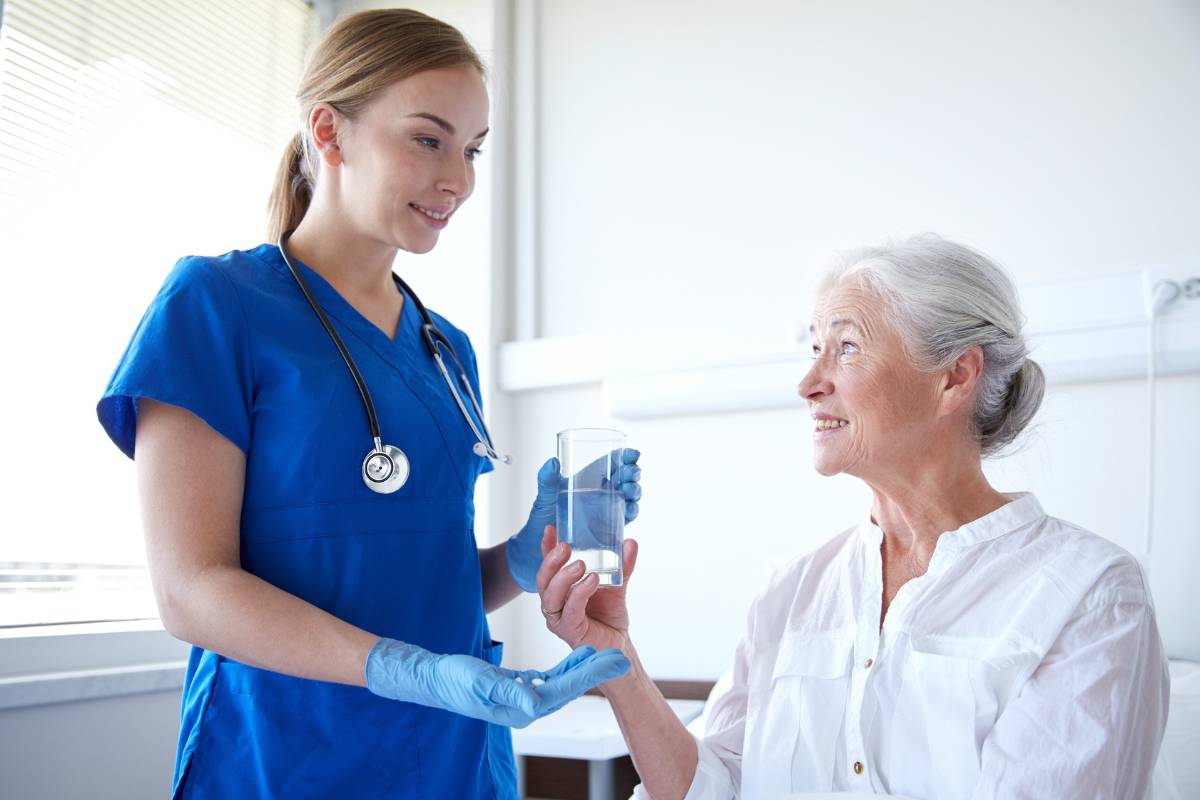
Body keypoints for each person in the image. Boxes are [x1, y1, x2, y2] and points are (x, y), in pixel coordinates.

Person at [96, 9, 639, 798]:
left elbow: (414, 572)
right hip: (286, 755)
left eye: (473, 149)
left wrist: (522, 558)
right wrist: (402, 668)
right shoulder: (216, 306)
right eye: (429, 138)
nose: (459, 178)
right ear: (329, 131)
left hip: (452, 761)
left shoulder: (444, 347)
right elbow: (190, 591)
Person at [536, 234, 1169, 799]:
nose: (808, 382)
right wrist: (614, 658)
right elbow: (714, 789)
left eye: (846, 347)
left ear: (954, 376)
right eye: (815, 348)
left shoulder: (1089, 596)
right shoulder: (790, 593)